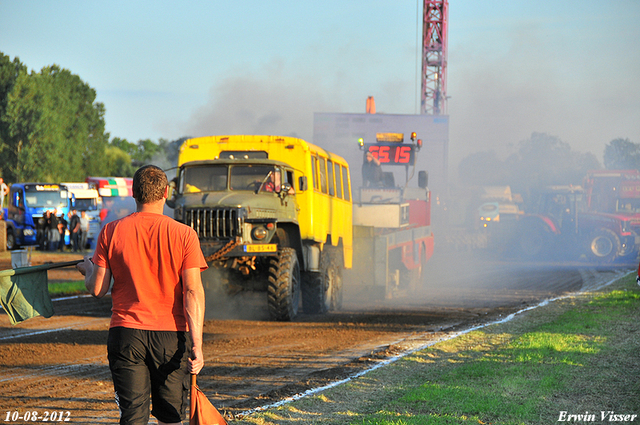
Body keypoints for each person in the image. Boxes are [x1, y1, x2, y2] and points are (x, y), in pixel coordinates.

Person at [76, 165, 207, 425]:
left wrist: (88, 268)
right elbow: (192, 291)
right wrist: (197, 343)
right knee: (170, 416)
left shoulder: (111, 231)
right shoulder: (185, 235)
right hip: (171, 337)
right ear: (166, 193)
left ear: (134, 193)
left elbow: (98, 289)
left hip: (126, 334)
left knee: (133, 415)